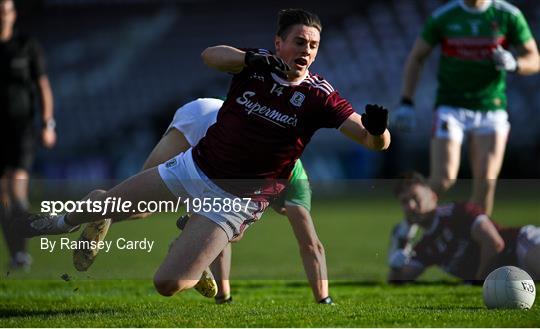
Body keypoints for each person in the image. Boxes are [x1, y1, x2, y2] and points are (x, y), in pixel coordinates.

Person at [17, 8, 390, 298]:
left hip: (234, 200)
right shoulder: (256, 64)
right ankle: (47, 224)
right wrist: (250, 60)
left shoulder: (319, 96)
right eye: (299, 42)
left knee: (168, 283)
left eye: (313, 45)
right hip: (194, 167)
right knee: (115, 205)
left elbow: (372, 141)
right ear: (278, 43)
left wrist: (378, 131)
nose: (306, 51)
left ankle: (190, 243)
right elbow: (211, 55)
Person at [75, 98, 332, 304]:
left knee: (147, 208)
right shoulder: (294, 188)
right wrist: (324, 299)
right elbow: (312, 246)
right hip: (216, 131)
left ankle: (103, 206)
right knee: (223, 223)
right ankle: (114, 211)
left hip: (205, 111)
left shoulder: (279, 165)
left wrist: (224, 294)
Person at [393, 0, 539, 216]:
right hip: (451, 107)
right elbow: (417, 56)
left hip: (491, 107)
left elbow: (534, 58)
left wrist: (515, 63)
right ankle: (407, 232)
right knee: (443, 179)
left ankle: (474, 246)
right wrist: (406, 100)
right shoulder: (445, 16)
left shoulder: (508, 15)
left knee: (486, 182)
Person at [387, 172, 540, 283]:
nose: (411, 206)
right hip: (507, 276)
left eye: (415, 197)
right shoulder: (426, 245)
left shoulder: (458, 212)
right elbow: (401, 280)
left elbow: (494, 244)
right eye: (404, 202)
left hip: (520, 245)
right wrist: (395, 264)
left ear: (433, 196)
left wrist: (478, 284)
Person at [0, 0, 55, 270]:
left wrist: (48, 123)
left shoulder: (26, 46)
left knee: (17, 187)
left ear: (13, 14)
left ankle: (23, 250)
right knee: (3, 195)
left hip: (22, 129)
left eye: (5, 10)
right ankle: (16, 253)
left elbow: (42, 85)